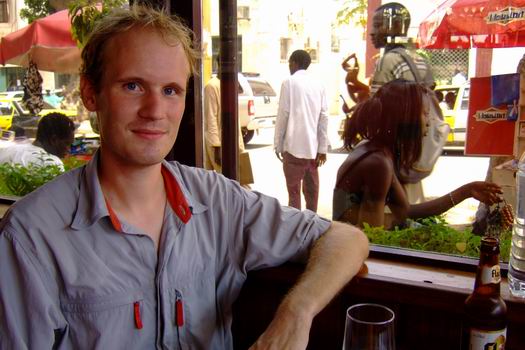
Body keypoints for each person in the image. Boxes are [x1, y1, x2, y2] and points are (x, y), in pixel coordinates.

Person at [0, 5, 369, 349]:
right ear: (90, 93)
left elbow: (345, 238)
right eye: (133, 86)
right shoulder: (30, 237)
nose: (154, 110)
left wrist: (295, 314)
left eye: (171, 90)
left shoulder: (218, 201)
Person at [333, 80, 502, 228]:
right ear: (406, 117)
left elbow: (405, 210)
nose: (429, 122)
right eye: (425, 114)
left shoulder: (378, 152)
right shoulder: (378, 163)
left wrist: (466, 191)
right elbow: (372, 237)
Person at [274, 49, 329, 212]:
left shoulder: (288, 83)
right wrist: (322, 149)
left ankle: (296, 229)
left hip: (293, 148)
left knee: (294, 194)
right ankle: (313, 227)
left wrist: (278, 144)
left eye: (289, 63)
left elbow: (283, 114)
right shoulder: (319, 85)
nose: (289, 66)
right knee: (312, 194)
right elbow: (324, 117)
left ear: (294, 63)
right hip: (312, 150)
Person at [204, 58, 253, 187]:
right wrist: (216, 147)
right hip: (219, 143)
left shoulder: (230, 84)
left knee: (244, 181)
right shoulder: (212, 86)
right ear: (218, 64)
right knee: (228, 184)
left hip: (236, 141)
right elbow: (211, 118)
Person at [0, 112, 75, 170]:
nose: (69, 149)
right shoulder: (52, 164)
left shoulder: (7, 151)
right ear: (54, 140)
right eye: (67, 143)